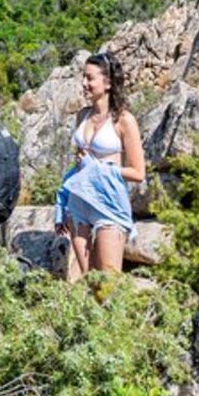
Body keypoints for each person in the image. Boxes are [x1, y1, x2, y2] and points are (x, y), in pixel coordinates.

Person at [55, 52, 146, 276]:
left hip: (108, 202)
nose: (84, 84)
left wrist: (97, 168)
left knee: (107, 283)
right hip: (79, 202)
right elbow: (79, 165)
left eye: (90, 78)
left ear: (108, 82)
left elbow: (138, 172)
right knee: (87, 279)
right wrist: (62, 204)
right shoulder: (82, 116)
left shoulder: (124, 120)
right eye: (83, 78)